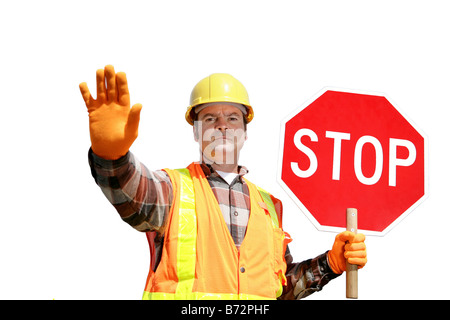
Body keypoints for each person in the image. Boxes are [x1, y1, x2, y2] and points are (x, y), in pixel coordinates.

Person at [79, 65, 367, 300]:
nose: (222, 125)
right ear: (196, 132)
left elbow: (279, 290)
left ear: (244, 132)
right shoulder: (172, 188)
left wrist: (330, 263)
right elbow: (131, 193)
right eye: (210, 118)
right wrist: (112, 154)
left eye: (232, 117)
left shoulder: (270, 207)